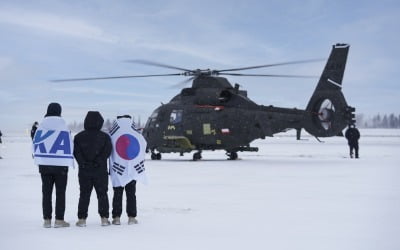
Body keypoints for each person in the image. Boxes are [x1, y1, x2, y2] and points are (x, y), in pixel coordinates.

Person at [32, 103, 73, 228]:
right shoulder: (64, 126)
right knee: (60, 193)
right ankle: (59, 220)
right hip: (61, 165)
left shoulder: (41, 127)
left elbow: (34, 145)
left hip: (44, 165)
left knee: (46, 192)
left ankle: (47, 220)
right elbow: (70, 145)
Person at [74, 111, 112, 227]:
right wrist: (98, 162)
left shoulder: (78, 137)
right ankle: (104, 218)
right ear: (100, 122)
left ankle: (82, 219)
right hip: (100, 171)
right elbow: (107, 152)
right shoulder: (105, 137)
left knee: (84, 194)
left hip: (84, 171)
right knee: (102, 194)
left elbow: (76, 152)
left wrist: (83, 163)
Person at [109, 115, 147, 225]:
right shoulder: (138, 135)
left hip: (117, 169)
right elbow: (143, 147)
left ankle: (116, 217)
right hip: (133, 169)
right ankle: (131, 217)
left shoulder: (112, 135)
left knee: (117, 193)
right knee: (131, 194)